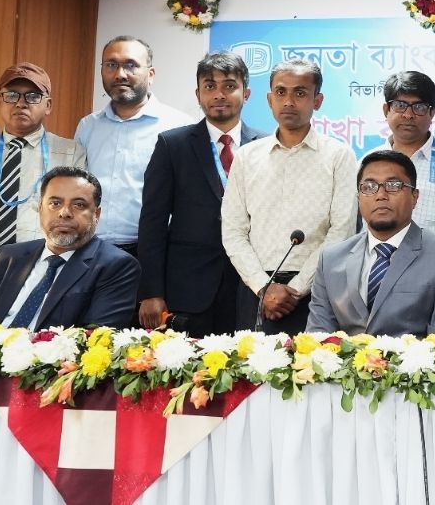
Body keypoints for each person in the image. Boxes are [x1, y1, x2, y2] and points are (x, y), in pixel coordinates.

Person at [222, 59, 357, 334]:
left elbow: (341, 232)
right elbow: (233, 231)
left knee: (315, 362)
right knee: (250, 363)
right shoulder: (247, 156)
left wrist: (296, 289)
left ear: (317, 101)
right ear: (269, 99)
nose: (288, 101)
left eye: (300, 93)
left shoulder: (338, 156)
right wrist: (263, 287)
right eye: (281, 92)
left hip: (316, 292)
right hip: (255, 290)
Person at [137, 52, 267, 336]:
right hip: (189, 288)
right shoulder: (173, 145)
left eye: (229, 86)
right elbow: (152, 223)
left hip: (251, 287)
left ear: (246, 93)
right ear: (198, 95)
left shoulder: (267, 146)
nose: (219, 94)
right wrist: (151, 291)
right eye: (209, 86)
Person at [307, 151, 435, 338]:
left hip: (416, 357)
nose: (381, 195)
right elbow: (317, 336)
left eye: (393, 186)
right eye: (369, 187)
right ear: (359, 198)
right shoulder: (331, 259)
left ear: (414, 196)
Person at [0, 63, 86, 312]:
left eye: (32, 96)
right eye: (11, 95)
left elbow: (75, 218)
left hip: (40, 276)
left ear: (48, 105)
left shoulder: (70, 153)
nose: (21, 103)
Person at [0, 167, 138, 330]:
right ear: (40, 208)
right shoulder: (9, 256)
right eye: (55, 203)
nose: (64, 212)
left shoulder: (116, 266)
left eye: (79, 205)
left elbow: (95, 339)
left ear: (96, 214)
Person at [74, 36, 190, 257]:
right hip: (90, 249)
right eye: (111, 65)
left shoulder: (179, 126)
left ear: (151, 74)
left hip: (155, 251)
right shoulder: (88, 126)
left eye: (130, 65)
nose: (120, 74)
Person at [366, 71, 435, 233]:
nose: (408, 115)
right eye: (400, 105)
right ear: (386, 110)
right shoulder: (367, 162)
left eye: (419, 107)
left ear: (432, 112)